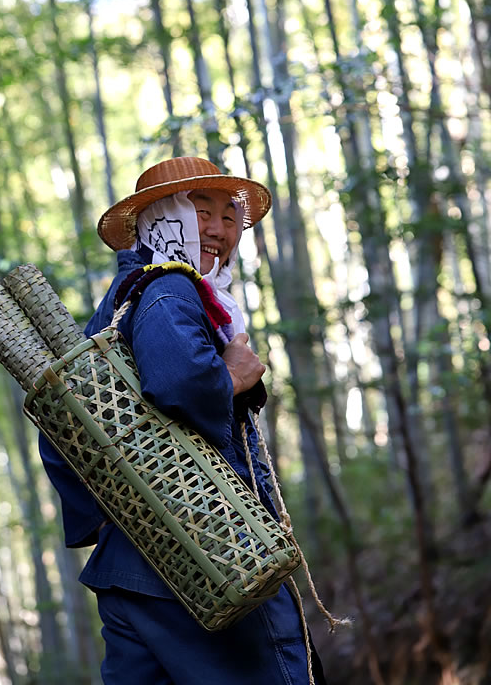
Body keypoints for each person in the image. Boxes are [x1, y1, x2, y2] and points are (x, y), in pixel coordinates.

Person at [39, 156, 327, 685]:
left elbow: (59, 430)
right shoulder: (169, 288)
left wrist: (107, 518)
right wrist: (232, 375)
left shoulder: (119, 306)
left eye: (229, 215)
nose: (219, 230)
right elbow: (178, 383)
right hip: (206, 558)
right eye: (200, 210)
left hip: (134, 570)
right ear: (160, 217)